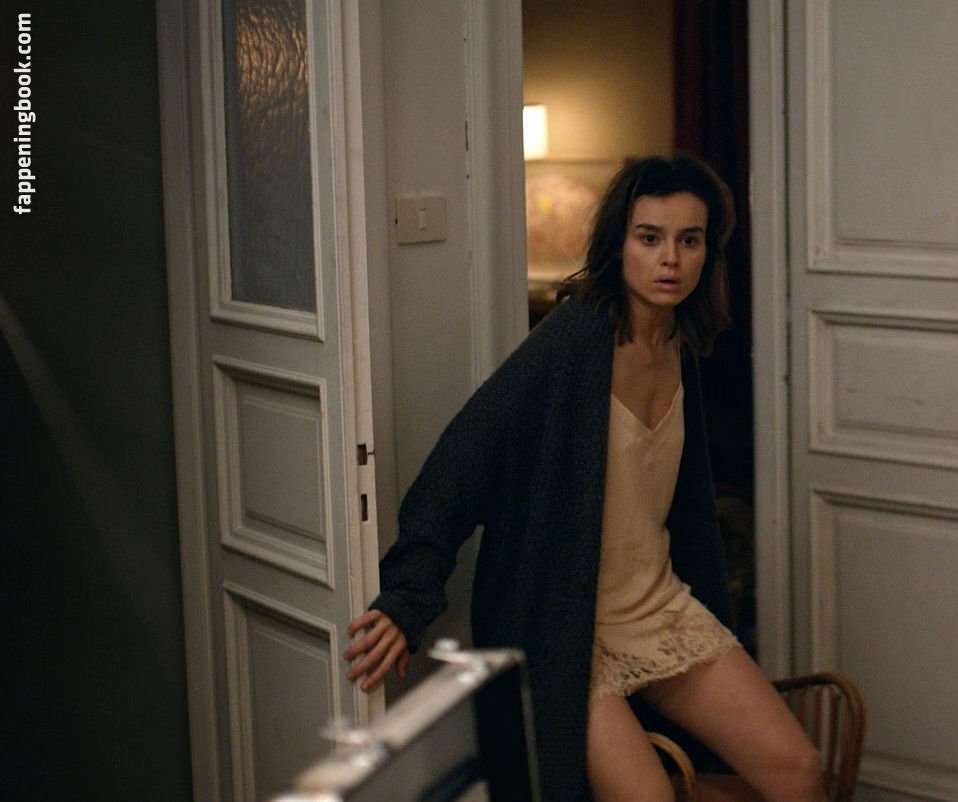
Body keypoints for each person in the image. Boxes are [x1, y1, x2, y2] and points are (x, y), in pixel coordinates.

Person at [344, 154, 823, 802]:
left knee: (798, 770)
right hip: (565, 625)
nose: (670, 260)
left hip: (656, 607)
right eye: (649, 238)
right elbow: (460, 461)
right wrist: (406, 596)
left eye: (689, 241)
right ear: (618, 244)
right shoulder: (572, 342)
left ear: (709, 252)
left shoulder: (680, 342)